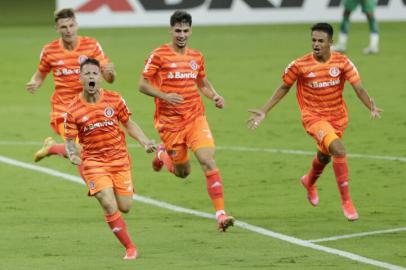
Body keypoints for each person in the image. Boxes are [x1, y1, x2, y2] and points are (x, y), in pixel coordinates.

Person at [247, 23, 382, 221]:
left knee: (325, 156)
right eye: (313, 40)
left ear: (331, 43)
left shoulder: (343, 62)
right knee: (339, 149)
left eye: (321, 41)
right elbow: (284, 87)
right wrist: (264, 111)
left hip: (337, 117)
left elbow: (358, 88)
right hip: (314, 118)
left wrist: (370, 105)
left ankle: (309, 181)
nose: (316, 44)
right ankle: (347, 202)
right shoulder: (300, 65)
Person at [138, 10, 234, 231]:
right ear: (170, 30)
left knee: (208, 160)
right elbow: (142, 85)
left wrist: (215, 96)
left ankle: (221, 214)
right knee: (183, 173)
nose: (181, 34)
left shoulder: (196, 57)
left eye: (185, 30)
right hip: (169, 123)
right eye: (177, 30)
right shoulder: (159, 55)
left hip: (194, 118)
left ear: (191, 31)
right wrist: (164, 96)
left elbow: (202, 82)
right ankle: (162, 154)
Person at [64, 58, 156, 259]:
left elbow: (128, 123)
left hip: (119, 160)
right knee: (107, 202)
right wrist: (72, 154)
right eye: (86, 74)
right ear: (80, 78)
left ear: (101, 78)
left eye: (94, 74)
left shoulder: (114, 99)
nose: (91, 77)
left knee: (125, 207)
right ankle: (130, 248)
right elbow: (70, 140)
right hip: (94, 162)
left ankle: (112, 189)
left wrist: (145, 141)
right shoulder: (72, 109)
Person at [26, 8, 116, 162]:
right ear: (57, 29)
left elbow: (109, 79)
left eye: (71, 25)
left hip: (90, 106)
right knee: (81, 150)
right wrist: (35, 82)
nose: (68, 30)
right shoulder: (50, 50)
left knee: (94, 149)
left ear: (77, 25)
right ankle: (96, 185)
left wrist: (111, 73)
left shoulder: (91, 45)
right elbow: (40, 74)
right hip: (64, 109)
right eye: (63, 27)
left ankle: (52, 148)